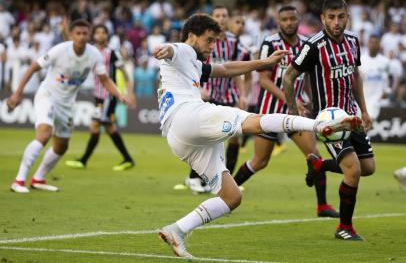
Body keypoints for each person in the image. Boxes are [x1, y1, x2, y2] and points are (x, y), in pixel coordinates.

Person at [153, 14, 361, 257]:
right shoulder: (184, 51)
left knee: (232, 196)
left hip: (179, 138)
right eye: (209, 41)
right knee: (255, 121)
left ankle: (176, 230)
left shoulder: (195, 65)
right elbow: (172, 50)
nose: (212, 47)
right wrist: (163, 49)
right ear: (191, 36)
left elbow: (227, 68)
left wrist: (262, 63)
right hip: (188, 115)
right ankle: (317, 125)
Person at [233, 5, 340, 218]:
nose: (289, 23)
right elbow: (263, 80)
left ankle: (322, 206)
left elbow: (308, 77)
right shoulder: (270, 43)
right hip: (269, 112)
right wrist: (292, 100)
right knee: (260, 161)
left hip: (296, 113)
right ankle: (227, 194)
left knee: (314, 156)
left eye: (292, 19)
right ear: (278, 21)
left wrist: (310, 101)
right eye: (285, 20)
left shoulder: (307, 45)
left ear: (298, 20)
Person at [283, 0, 375, 241]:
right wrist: (293, 112)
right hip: (329, 122)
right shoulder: (314, 45)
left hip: (351, 116)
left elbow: (355, 75)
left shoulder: (353, 41)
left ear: (347, 17)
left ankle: (319, 164)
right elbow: (289, 76)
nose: (336, 22)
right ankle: (344, 227)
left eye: (340, 17)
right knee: (352, 171)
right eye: (331, 17)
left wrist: (364, 110)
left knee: (368, 168)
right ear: (322, 19)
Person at [7, 19, 131, 193]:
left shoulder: (93, 54)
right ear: (72, 35)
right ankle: (19, 180)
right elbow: (33, 67)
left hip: (66, 104)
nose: (81, 37)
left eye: (84, 34)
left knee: (61, 146)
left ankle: (38, 179)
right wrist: (17, 93)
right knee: (44, 134)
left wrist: (119, 95)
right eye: (78, 34)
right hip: (47, 96)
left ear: (89, 35)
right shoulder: (59, 50)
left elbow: (104, 79)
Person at [185, 6, 250, 193]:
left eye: (224, 16)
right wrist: (200, 89)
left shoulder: (234, 42)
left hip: (229, 95)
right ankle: (193, 178)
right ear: (211, 18)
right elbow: (194, 67)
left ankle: (227, 181)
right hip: (208, 95)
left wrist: (242, 95)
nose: (221, 19)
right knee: (207, 137)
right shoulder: (203, 41)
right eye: (218, 16)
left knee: (235, 138)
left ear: (228, 20)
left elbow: (237, 71)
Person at [65, 24, 136, 171]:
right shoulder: (89, 51)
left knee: (96, 126)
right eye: (97, 32)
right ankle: (127, 159)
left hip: (109, 95)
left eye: (103, 32)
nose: (100, 35)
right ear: (93, 35)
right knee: (109, 128)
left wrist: (130, 93)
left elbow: (125, 73)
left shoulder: (112, 53)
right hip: (98, 96)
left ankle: (84, 160)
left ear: (107, 35)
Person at [359, 35, 391, 121]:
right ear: (368, 44)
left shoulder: (385, 61)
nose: (373, 45)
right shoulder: (361, 60)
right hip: (362, 98)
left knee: (369, 122)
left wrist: (387, 90)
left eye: (376, 43)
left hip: (376, 98)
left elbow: (388, 78)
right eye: (371, 42)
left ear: (379, 45)